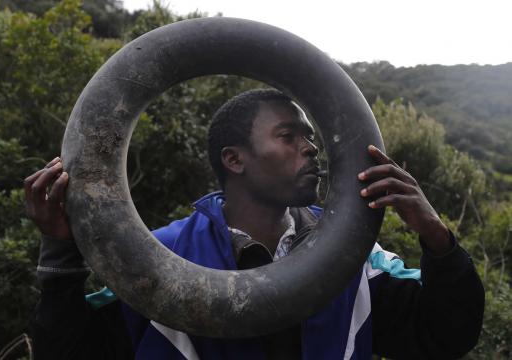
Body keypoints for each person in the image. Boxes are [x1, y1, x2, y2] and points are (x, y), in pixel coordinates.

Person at [26, 89, 484, 359]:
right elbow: (69, 351)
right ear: (235, 160)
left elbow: (448, 334)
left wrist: (437, 238)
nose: (311, 148)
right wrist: (60, 248)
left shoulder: (356, 257)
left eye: (310, 136)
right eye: (288, 136)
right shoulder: (163, 255)